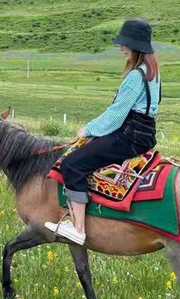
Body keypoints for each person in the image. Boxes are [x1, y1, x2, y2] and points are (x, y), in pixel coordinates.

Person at [45, 19, 161, 245]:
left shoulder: (136, 76)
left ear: (135, 46)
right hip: (145, 134)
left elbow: (116, 115)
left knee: (72, 164)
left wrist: (87, 130)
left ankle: (78, 229)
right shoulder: (151, 72)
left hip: (129, 134)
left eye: (125, 43)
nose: (120, 47)